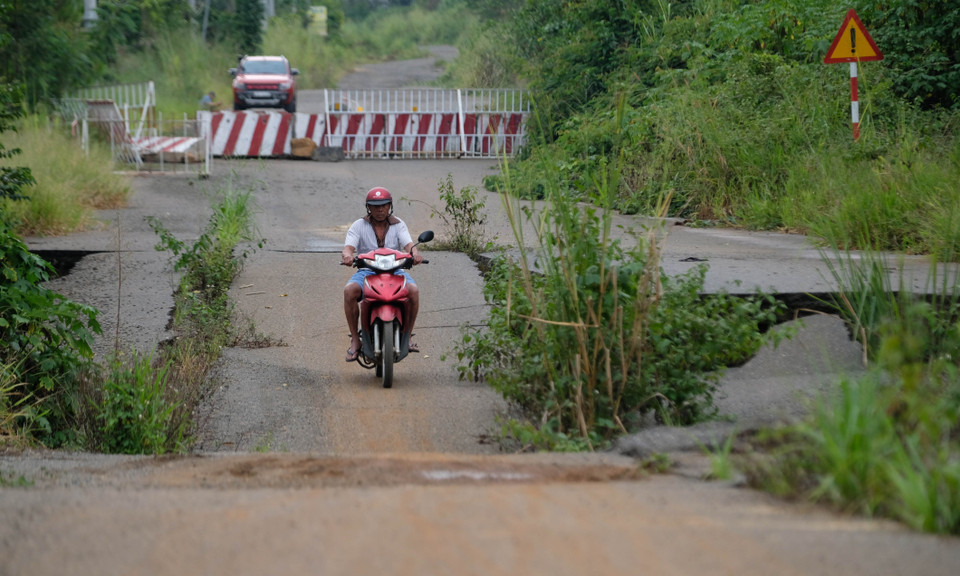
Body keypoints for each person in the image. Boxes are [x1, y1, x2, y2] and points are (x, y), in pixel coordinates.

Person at [342, 187, 424, 362]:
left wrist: (415, 254)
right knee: (349, 291)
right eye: (375, 206)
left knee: (414, 291)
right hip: (366, 271)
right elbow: (348, 247)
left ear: (390, 206)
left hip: (395, 270)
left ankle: (407, 336)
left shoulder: (399, 224)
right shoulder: (359, 225)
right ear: (368, 208)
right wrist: (348, 256)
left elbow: (409, 245)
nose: (380, 209)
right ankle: (355, 340)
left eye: (384, 205)